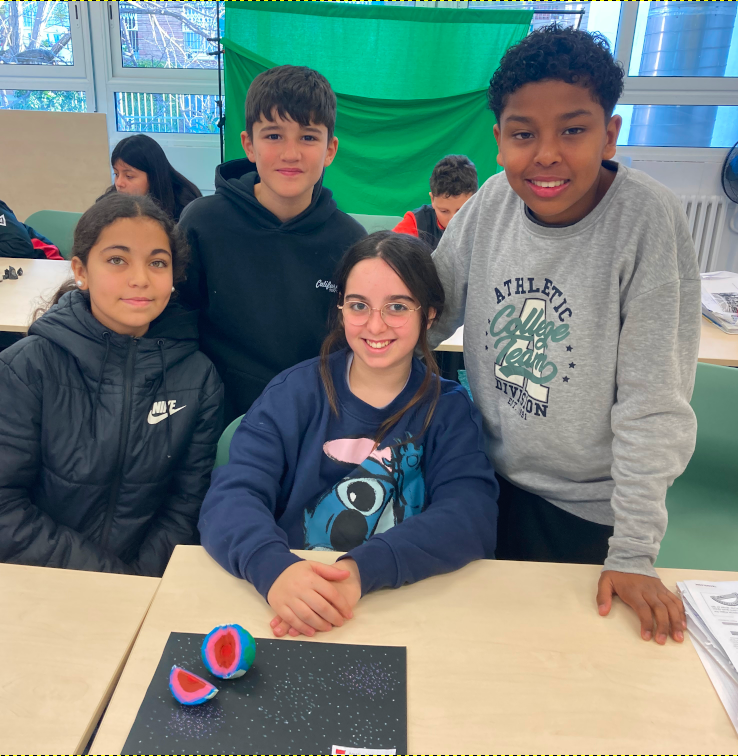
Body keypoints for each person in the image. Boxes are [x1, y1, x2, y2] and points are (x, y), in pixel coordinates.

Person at [430, 26, 701, 646]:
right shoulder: (489, 205)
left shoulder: (647, 221)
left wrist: (633, 552)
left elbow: (653, 407)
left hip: (589, 511)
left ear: (610, 134)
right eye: (524, 134)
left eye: (573, 130)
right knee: (472, 647)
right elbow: (430, 312)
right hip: (484, 481)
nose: (546, 154)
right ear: (498, 141)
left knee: (564, 662)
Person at [198, 231, 499, 639]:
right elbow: (230, 498)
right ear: (341, 310)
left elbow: (470, 516)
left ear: (428, 315)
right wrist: (273, 568)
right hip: (289, 604)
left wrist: (360, 571)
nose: (375, 325)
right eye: (359, 306)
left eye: (397, 307)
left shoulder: (450, 410)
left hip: (405, 606)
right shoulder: (293, 394)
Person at [0, 193, 223, 576]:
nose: (140, 279)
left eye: (157, 262)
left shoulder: (198, 379)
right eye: (117, 260)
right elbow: (5, 507)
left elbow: (187, 505)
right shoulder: (27, 368)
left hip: (147, 584)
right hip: (38, 579)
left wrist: (140, 582)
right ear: (81, 271)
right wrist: (108, 578)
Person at [178, 65, 366, 424]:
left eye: (308, 137)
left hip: (312, 419)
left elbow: (353, 346)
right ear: (249, 144)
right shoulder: (202, 222)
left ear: (330, 150)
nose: (290, 153)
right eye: (274, 135)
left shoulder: (351, 242)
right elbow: (178, 325)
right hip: (215, 417)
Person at [106, 134, 202, 222]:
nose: (119, 183)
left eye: (129, 176)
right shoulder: (109, 202)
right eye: (116, 174)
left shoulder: (184, 205)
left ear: (153, 176)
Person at [393, 155, 478, 251]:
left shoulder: (486, 223)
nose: (453, 220)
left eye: (462, 211)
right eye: (444, 211)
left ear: (475, 200)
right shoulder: (417, 222)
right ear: (432, 200)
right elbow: (387, 252)